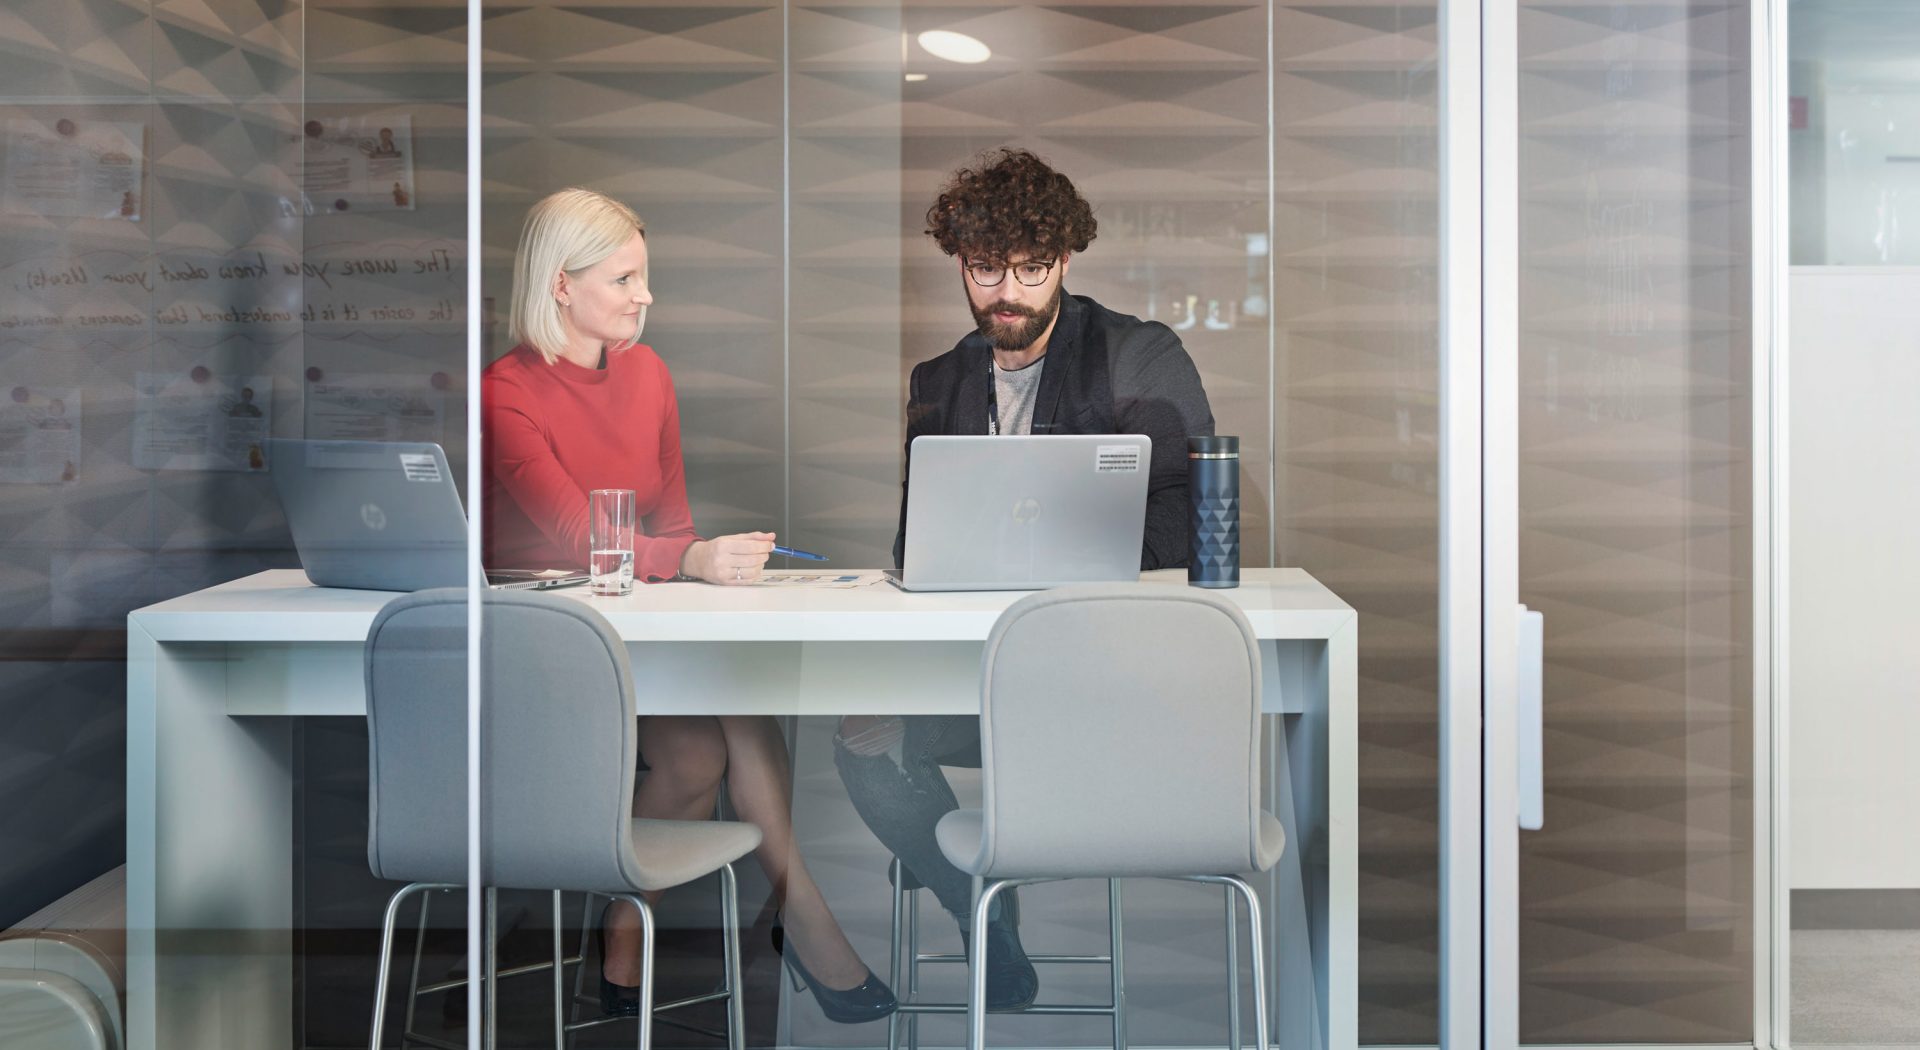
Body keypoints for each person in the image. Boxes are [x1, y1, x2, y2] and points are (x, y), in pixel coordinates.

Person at [483, 187, 897, 1023]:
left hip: (642, 631)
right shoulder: (506, 391)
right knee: (709, 746)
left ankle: (646, 929)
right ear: (561, 284)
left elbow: (668, 524)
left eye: (646, 277)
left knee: (720, 734)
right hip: (552, 645)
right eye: (625, 278)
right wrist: (695, 561)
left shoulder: (649, 374)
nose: (645, 297)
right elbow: (574, 534)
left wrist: (698, 560)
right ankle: (790, 916)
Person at [832, 148, 1215, 1010]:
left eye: (1031, 269)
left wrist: (1045, 569)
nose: (1008, 290)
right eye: (985, 268)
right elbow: (919, 544)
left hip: (1106, 683)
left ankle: (977, 904)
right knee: (862, 736)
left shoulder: (1138, 358)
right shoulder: (937, 383)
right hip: (991, 685)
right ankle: (982, 914)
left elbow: (1189, 518)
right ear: (960, 265)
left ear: (1065, 262)